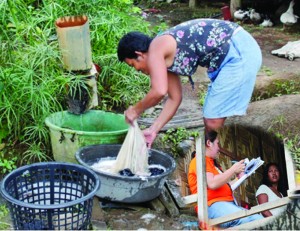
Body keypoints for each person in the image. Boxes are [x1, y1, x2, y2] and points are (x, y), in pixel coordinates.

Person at [117, 19, 262, 148]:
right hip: (233, 53)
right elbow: (175, 98)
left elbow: (159, 91)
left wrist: (135, 110)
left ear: (140, 54)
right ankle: (211, 159)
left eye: (132, 65)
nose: (136, 70)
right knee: (211, 118)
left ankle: (213, 161)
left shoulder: (155, 48)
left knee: (212, 120)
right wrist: (153, 129)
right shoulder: (163, 55)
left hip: (239, 51)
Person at [188, 130, 263, 228]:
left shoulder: (212, 164)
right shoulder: (198, 161)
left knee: (256, 218)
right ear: (209, 143)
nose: (219, 148)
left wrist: (240, 177)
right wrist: (233, 169)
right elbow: (212, 183)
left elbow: (224, 186)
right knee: (255, 219)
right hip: (212, 206)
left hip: (225, 205)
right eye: (217, 144)